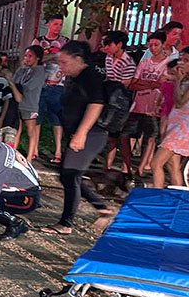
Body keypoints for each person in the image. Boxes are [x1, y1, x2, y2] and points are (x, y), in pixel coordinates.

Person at [40, 41, 114, 235]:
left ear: (78, 59)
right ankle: (102, 208)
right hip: (79, 132)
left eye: (64, 62)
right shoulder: (76, 77)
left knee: (70, 174)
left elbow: (96, 104)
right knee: (67, 174)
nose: (61, 67)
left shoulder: (90, 76)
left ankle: (66, 224)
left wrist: (81, 133)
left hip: (91, 133)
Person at [122, 31, 171, 177]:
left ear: (163, 45)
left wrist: (144, 84)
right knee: (126, 135)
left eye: (156, 45)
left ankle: (140, 169)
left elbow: (162, 84)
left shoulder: (168, 64)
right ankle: (126, 167)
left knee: (150, 138)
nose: (153, 48)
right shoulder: (144, 62)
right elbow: (133, 84)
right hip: (138, 104)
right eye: (150, 45)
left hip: (154, 106)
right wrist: (151, 84)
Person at [152, 47, 189, 187]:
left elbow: (180, 102)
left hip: (184, 127)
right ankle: (177, 194)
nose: (181, 63)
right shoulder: (183, 79)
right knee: (172, 166)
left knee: (156, 163)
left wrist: (178, 80)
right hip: (175, 122)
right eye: (181, 59)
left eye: (186, 60)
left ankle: (157, 193)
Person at [33, 14, 68, 164]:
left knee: (56, 118)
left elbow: (65, 59)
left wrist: (47, 57)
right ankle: (34, 149)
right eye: (55, 24)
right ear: (48, 25)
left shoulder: (65, 41)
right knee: (37, 117)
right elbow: (35, 59)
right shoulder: (38, 41)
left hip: (58, 84)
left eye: (60, 24)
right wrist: (54, 56)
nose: (58, 27)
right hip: (40, 83)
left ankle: (58, 151)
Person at [1, 45, 46, 161]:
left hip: (29, 104)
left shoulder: (40, 71)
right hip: (17, 103)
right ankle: (13, 153)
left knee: (31, 130)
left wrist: (17, 86)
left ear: (37, 58)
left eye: (30, 56)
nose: (27, 58)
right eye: (25, 56)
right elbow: (15, 81)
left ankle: (30, 157)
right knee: (17, 129)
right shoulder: (22, 70)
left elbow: (29, 87)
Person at [100, 31, 137, 172]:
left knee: (122, 137)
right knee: (111, 137)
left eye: (109, 45)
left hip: (121, 102)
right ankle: (107, 166)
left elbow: (124, 85)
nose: (106, 48)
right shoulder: (109, 58)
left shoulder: (128, 62)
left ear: (119, 45)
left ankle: (126, 168)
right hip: (110, 98)